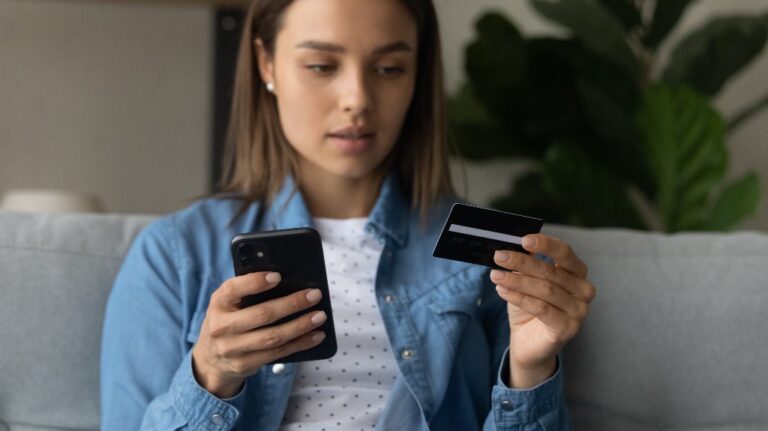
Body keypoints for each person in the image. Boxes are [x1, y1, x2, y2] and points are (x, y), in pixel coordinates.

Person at [100, 0, 595, 429]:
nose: (357, 99)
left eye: (390, 69)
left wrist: (531, 371)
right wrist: (211, 373)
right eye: (321, 66)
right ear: (265, 62)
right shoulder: (174, 256)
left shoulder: (487, 251)